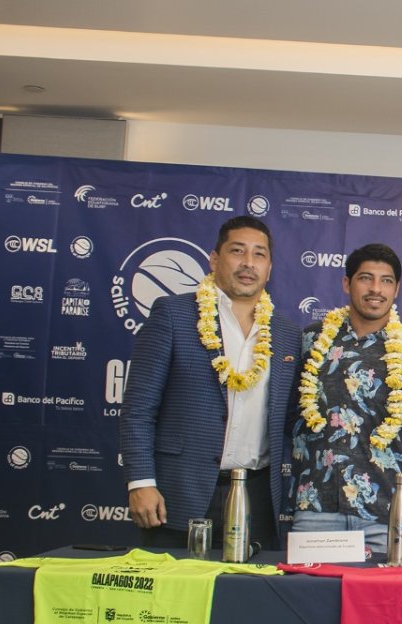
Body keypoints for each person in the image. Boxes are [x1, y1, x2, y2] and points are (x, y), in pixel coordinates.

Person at [121, 216, 301, 550]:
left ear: (270, 268)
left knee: (248, 597)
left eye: (259, 254)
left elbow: (292, 418)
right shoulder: (173, 315)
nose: (248, 263)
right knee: (174, 597)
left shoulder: (288, 334)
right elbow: (138, 409)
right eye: (237, 251)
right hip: (179, 493)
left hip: (257, 497)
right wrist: (141, 482)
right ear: (215, 259)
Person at [290, 243, 402, 556]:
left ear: (397, 288)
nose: (376, 289)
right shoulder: (311, 342)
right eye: (366, 278)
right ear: (347, 283)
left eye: (386, 280)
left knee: (383, 605)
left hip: (387, 514)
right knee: (307, 601)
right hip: (316, 510)